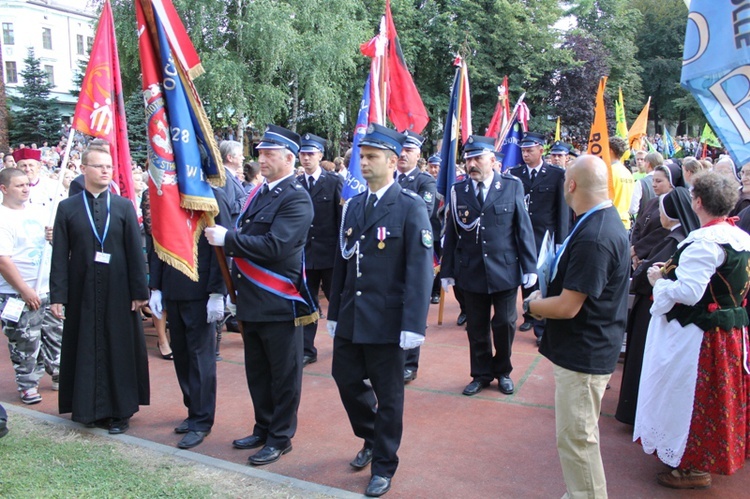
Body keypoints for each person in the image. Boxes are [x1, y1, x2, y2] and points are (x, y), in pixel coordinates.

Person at [327, 123, 433, 497]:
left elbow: (420, 270)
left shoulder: (409, 206)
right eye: (362, 156)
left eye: (372, 157)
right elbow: (342, 261)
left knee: (389, 396)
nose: (364, 163)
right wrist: (334, 312)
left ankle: (384, 465)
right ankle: (371, 437)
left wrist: (414, 324)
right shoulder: (354, 205)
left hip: (388, 320)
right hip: (354, 314)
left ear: (393, 161)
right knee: (345, 379)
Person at [205, 125, 314, 466]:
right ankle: (263, 427)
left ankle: (281, 438)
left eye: (269, 153)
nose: (262, 158)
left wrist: (228, 240)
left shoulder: (296, 197)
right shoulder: (259, 193)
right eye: (260, 153)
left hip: (279, 302)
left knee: (283, 376)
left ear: (288, 158)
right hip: (252, 301)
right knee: (258, 373)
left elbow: (276, 246)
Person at [634, 171, 750, 489]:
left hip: (701, 336)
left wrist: (660, 283)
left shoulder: (705, 242)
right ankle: (701, 459)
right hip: (728, 333)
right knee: (716, 398)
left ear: (697, 202)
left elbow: (689, 292)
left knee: (692, 398)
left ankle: (693, 466)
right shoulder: (740, 237)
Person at [525, 155, 630, 498]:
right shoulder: (597, 221)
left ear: (571, 185)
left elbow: (569, 307)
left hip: (586, 351)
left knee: (577, 440)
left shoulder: (595, 234)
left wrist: (531, 306)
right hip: (587, 346)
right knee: (577, 437)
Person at [50, 143, 150, 434]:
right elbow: (60, 254)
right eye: (99, 166)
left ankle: (121, 411)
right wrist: (58, 295)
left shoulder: (122, 206)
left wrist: (139, 291)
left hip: (119, 291)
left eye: (109, 166)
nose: (106, 171)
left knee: (119, 347)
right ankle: (88, 408)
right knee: (85, 344)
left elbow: (134, 250)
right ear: (83, 170)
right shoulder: (67, 208)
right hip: (82, 290)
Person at [442, 136, 537, 396]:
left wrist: (530, 266)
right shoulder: (457, 190)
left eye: (478, 158)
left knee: (505, 324)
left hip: (504, 269)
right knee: (476, 326)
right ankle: (481, 374)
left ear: (493, 161)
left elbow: (522, 228)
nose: (472, 164)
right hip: (471, 270)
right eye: (468, 159)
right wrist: (447, 270)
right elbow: (451, 233)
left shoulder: (511, 186)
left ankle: (503, 371)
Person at [149, 188, 230, 449]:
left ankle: (201, 420)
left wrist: (217, 291)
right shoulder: (169, 196)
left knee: (200, 358)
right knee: (182, 355)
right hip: (173, 286)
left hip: (200, 289)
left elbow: (221, 246)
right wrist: (156, 286)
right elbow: (160, 241)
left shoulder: (209, 195)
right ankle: (193, 407)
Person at [615, 189, 698, 425]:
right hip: (659, 308)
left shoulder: (674, 240)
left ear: (669, 214)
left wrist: (642, 269)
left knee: (643, 361)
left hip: (651, 310)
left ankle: (634, 414)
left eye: (661, 210)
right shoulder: (680, 236)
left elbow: (647, 275)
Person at [0, 167, 62, 404]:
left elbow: (53, 247)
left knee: (56, 334)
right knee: (25, 340)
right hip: (17, 293)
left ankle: (58, 373)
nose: (26, 189)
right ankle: (27, 383)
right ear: (4, 189)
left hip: (46, 287)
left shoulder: (39, 212)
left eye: (27, 184)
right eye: (19, 185)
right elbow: (3, 260)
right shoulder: (3, 217)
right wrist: (24, 290)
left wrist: (52, 237)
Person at [509, 131, 568, 345]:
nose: (525, 154)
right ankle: (529, 315)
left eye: (529, 150)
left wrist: (561, 239)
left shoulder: (555, 174)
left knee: (543, 281)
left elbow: (561, 209)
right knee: (526, 277)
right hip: (522, 234)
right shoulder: (515, 173)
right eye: (523, 151)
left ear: (540, 150)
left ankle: (541, 326)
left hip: (545, 236)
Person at [296, 132, 343, 367]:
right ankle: (307, 349)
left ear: (320, 155)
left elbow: (342, 219)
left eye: (310, 154)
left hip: (331, 254)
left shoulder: (333, 181)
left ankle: (343, 345)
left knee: (337, 300)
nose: (306, 158)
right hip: (304, 255)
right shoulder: (295, 183)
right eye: (303, 154)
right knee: (306, 300)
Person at [395, 131, 436, 383]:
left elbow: (425, 211)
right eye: (400, 149)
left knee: (411, 306)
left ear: (418, 155)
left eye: (409, 150)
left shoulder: (424, 181)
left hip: (411, 251)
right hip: (387, 252)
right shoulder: (388, 178)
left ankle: (410, 364)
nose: (402, 154)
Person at [630, 162, 679, 269]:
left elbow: (663, 233)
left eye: (659, 181)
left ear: (671, 182)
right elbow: (639, 225)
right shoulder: (652, 202)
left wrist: (638, 250)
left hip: (655, 257)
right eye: (653, 180)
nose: (653, 184)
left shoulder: (675, 207)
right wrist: (634, 250)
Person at [218, 140, 249, 222]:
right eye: (240, 155)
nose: (243, 158)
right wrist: (248, 199)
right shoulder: (226, 177)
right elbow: (230, 207)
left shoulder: (231, 176)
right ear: (230, 158)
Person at [609, 137, 636, 230]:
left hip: (611, 222)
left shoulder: (609, 172)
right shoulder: (628, 173)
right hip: (625, 223)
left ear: (610, 150)